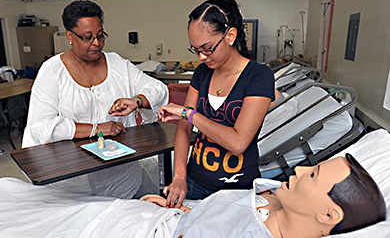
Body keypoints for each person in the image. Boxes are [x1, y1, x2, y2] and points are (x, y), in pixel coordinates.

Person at [0, 154, 385, 237]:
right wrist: (179, 206)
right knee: (37, 201)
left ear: (329, 215)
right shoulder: (279, 197)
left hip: (153, 232)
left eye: (312, 174)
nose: (298, 170)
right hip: (167, 216)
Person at [22, 0, 168, 198]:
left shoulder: (117, 64)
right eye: (88, 37)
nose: (97, 43)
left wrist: (137, 100)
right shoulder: (52, 72)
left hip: (121, 179)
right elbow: (41, 127)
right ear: (70, 36)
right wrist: (96, 128)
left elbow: (157, 89)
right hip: (73, 184)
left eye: (100, 35)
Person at [158, 0, 275, 207]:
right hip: (194, 183)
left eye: (207, 48)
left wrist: (189, 113)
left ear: (230, 36)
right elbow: (184, 129)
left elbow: (238, 143)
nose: (201, 57)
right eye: (196, 50)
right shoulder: (203, 73)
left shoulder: (259, 76)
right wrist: (179, 178)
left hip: (237, 189)